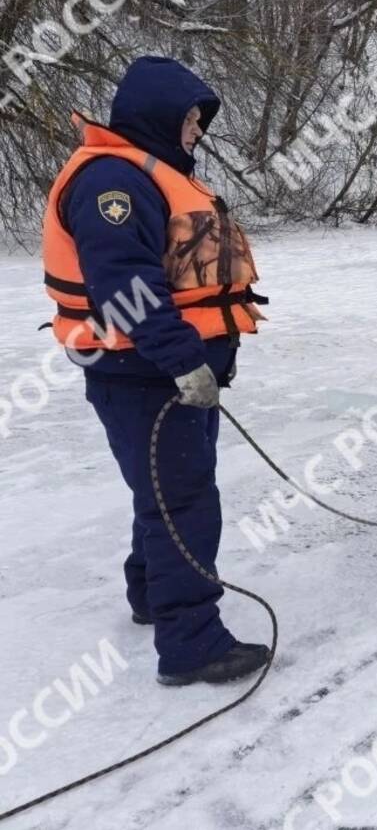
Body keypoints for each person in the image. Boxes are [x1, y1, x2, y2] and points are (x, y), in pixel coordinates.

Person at [41, 56, 270, 685]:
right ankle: (192, 644)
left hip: (164, 373)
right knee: (186, 501)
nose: (197, 130)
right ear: (162, 114)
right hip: (142, 373)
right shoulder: (112, 182)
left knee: (166, 493)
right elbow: (126, 288)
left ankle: (150, 593)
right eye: (192, 117)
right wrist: (183, 361)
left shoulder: (152, 173)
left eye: (199, 120)